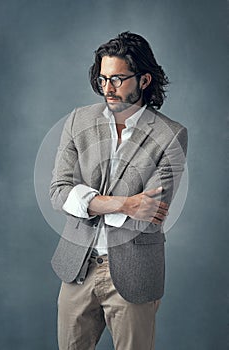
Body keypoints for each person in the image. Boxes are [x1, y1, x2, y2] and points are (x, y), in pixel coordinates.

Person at [50, 31, 188, 350]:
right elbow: (59, 193)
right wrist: (125, 203)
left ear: (144, 80)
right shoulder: (78, 121)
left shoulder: (170, 135)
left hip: (134, 274)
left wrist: (87, 200)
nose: (107, 88)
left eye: (117, 79)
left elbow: (148, 214)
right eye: (102, 79)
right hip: (77, 268)